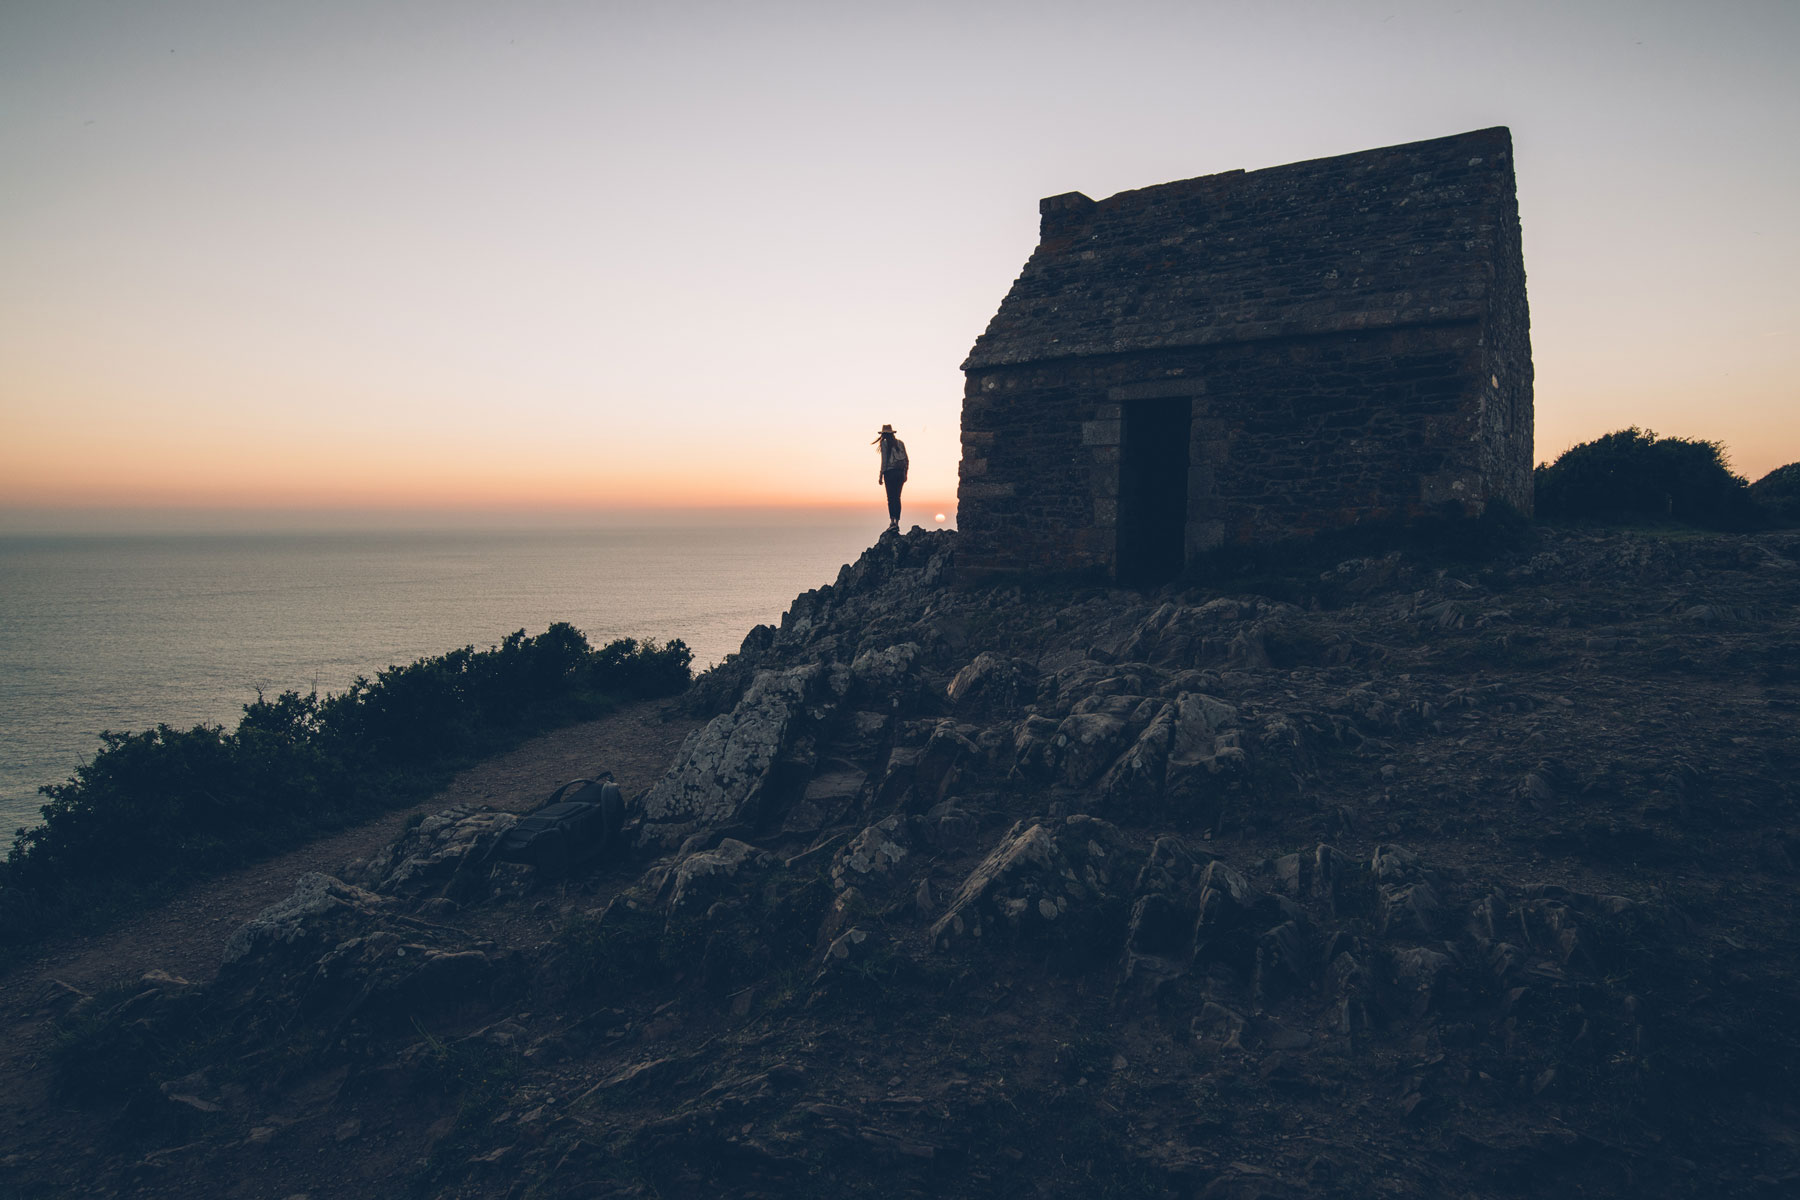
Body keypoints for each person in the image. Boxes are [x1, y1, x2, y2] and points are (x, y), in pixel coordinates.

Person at [874, 423, 908, 533]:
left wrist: (880, 476)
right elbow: (907, 460)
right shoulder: (900, 443)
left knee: (891, 498)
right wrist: (905, 474)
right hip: (900, 473)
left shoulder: (884, 444)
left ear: (884, 434)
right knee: (897, 498)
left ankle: (892, 522)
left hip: (890, 473)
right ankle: (897, 522)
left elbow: (884, 461)